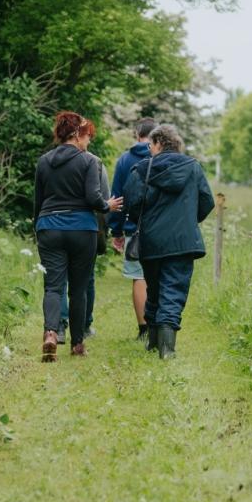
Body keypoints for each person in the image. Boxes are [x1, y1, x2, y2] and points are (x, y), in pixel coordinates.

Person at [33, 111, 122, 361]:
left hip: (49, 226)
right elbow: (94, 198)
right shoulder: (89, 161)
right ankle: (77, 344)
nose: (88, 141)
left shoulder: (43, 161)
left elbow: (38, 202)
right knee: (79, 289)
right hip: (82, 229)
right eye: (86, 135)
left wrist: (38, 227)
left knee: (53, 286)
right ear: (75, 134)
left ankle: (51, 333)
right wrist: (108, 205)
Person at [123, 123, 213, 359]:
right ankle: (166, 350)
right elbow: (207, 201)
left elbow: (131, 203)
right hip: (183, 241)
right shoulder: (193, 167)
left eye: (151, 145)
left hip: (151, 242)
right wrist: (187, 220)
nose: (149, 149)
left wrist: (141, 221)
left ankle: (154, 342)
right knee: (174, 290)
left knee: (154, 290)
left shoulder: (142, 169)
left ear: (159, 143)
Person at [108, 118, 157, 339]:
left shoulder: (125, 160)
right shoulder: (163, 156)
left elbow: (117, 198)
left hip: (134, 228)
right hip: (160, 226)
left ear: (137, 135)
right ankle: (161, 325)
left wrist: (116, 231)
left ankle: (143, 329)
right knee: (160, 275)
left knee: (139, 277)